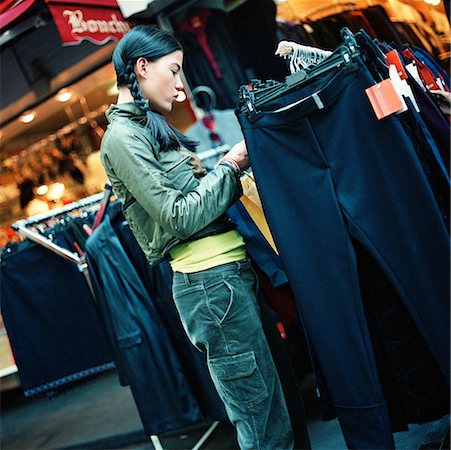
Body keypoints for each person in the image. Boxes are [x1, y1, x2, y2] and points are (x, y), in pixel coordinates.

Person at [100, 25, 294, 450]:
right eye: (174, 70)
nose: (180, 83)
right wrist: (230, 164)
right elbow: (178, 215)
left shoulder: (150, 128)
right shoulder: (122, 137)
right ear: (142, 67)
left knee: (280, 408)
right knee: (264, 424)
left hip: (228, 277)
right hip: (210, 285)